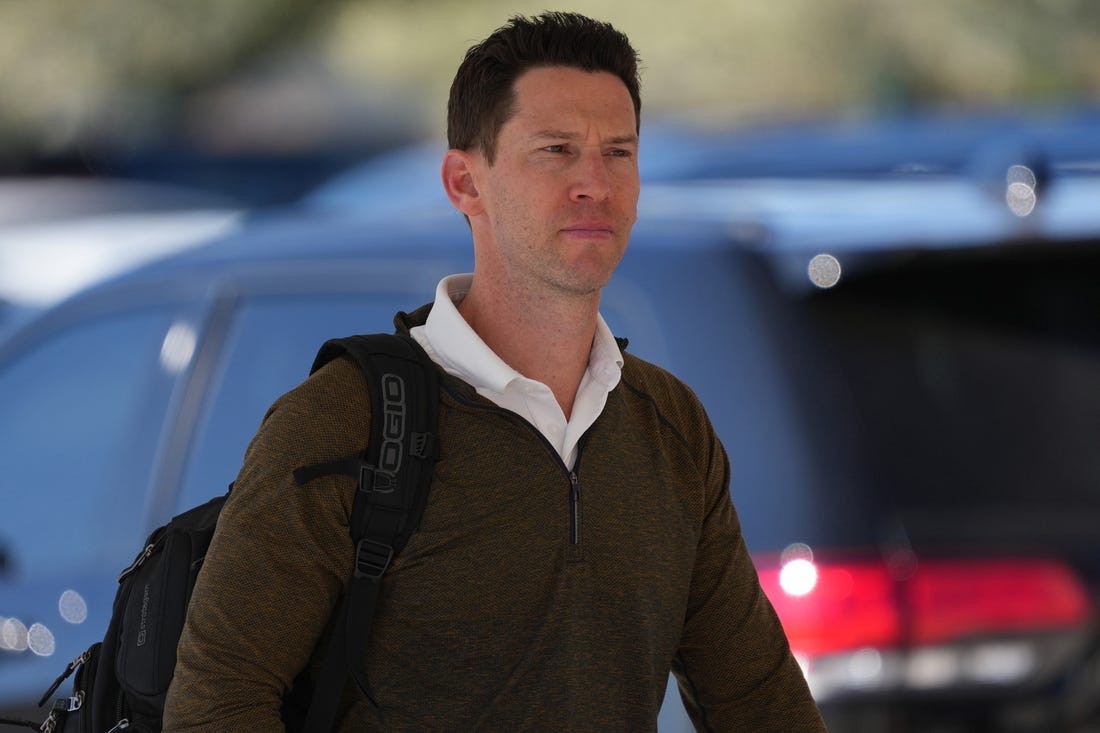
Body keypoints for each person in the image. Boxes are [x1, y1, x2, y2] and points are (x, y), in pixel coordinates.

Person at [163, 11, 826, 732]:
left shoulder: (670, 426)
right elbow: (215, 704)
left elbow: (761, 704)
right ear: (464, 182)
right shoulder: (343, 421)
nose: (595, 184)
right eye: (556, 150)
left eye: (619, 152)